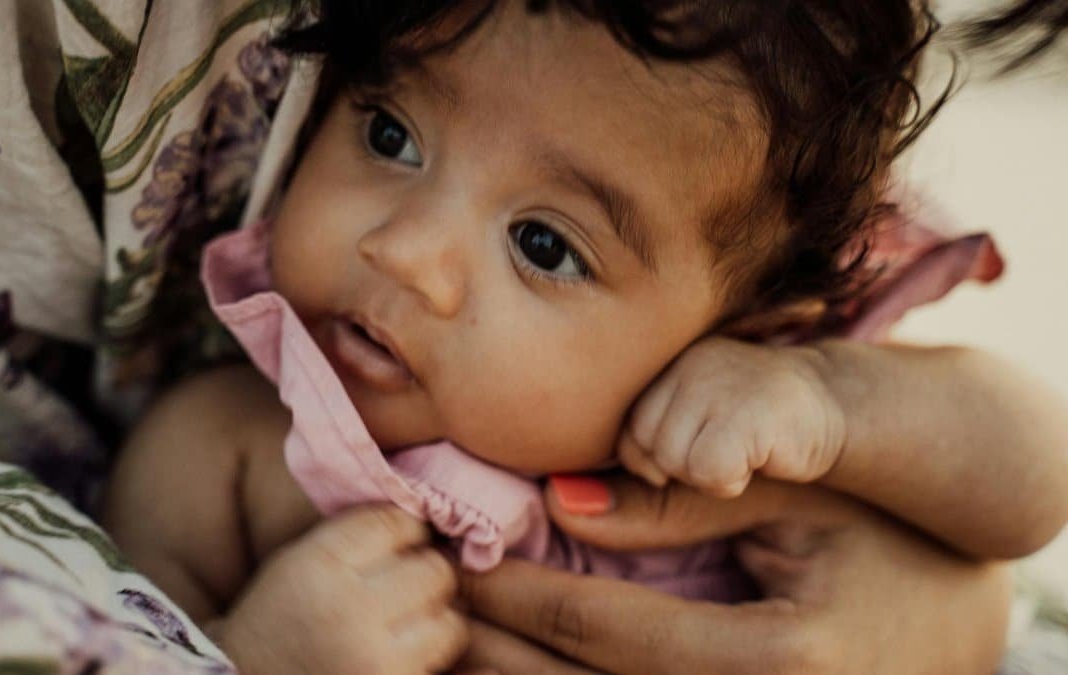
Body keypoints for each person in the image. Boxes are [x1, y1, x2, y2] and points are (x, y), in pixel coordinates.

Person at [102, 1, 1068, 673]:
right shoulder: (223, 456)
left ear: (752, 325)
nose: (403, 251)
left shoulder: (752, 417)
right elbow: (98, 634)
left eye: (543, 244)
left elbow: (1038, 480)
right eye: (391, 134)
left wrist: (834, 400)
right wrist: (258, 656)